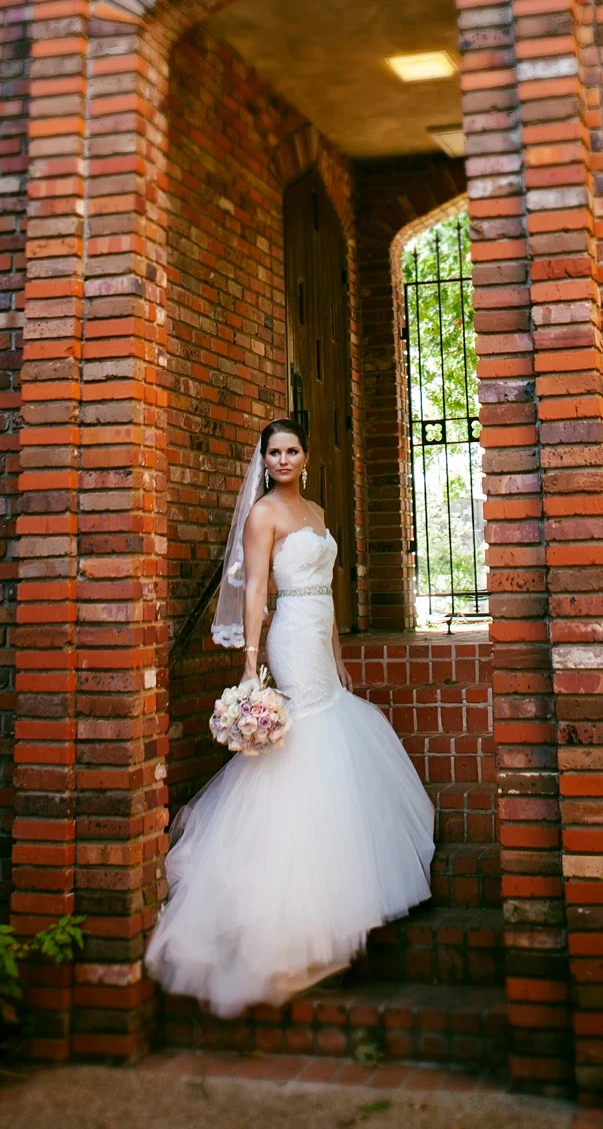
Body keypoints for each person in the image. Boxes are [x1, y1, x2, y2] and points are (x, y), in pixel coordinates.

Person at [144, 417, 435, 1016]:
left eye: (292, 450)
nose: (282, 459)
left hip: (320, 638)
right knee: (302, 745)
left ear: (305, 455)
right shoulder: (263, 515)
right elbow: (256, 590)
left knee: (334, 737)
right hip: (289, 640)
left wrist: (339, 655)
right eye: (273, 452)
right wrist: (250, 663)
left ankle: (336, 902)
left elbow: (326, 591)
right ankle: (286, 927)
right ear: (265, 459)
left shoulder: (319, 512)